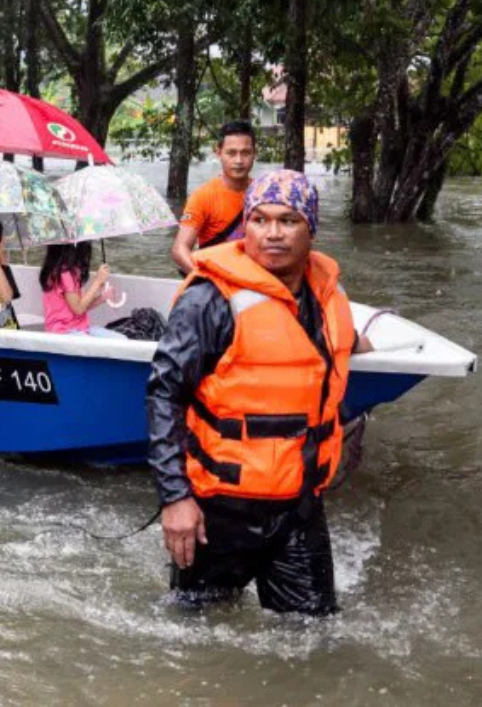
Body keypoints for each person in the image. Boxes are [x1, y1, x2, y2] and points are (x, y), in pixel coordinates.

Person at [147, 169, 375, 615]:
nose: (272, 233)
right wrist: (175, 499)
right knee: (192, 639)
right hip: (218, 510)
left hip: (300, 507)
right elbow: (163, 396)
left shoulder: (328, 296)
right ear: (244, 225)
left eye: (288, 221)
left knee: (315, 644)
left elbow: (329, 371)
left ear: (311, 229)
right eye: (260, 220)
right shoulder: (208, 300)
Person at [171, 121, 258, 274]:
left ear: (254, 154)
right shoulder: (203, 196)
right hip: (216, 277)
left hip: (256, 276)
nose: (238, 160)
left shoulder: (264, 193)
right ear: (219, 153)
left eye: (245, 153)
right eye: (231, 153)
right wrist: (205, 279)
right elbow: (180, 249)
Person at [39, 242, 121, 338]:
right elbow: (78, 309)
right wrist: (97, 281)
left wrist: (103, 297)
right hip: (63, 332)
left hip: (80, 328)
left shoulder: (71, 271)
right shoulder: (63, 274)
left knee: (121, 340)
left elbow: (81, 306)